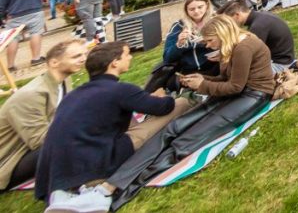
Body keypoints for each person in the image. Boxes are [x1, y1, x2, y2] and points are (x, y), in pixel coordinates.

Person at [89, 16, 275, 210]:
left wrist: (203, 85)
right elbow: (225, 79)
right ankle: (113, 183)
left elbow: (236, 86)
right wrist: (201, 78)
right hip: (234, 93)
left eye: (210, 41)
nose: (209, 46)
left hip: (253, 95)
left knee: (184, 142)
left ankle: (123, 192)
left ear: (221, 34)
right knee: (172, 128)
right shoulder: (232, 46)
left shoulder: (244, 47)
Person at [34, 42, 191, 208]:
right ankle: (89, 188)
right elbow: (164, 108)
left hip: (54, 172)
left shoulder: (73, 95)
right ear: (114, 62)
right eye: (127, 54)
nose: (130, 57)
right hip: (93, 163)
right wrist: (164, 96)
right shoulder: (120, 90)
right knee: (180, 103)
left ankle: (66, 194)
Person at [0, 40, 87, 191]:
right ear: (54, 62)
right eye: (76, 56)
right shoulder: (31, 95)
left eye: (84, 54)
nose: (83, 59)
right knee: (72, 143)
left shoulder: (64, 79)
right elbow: (40, 141)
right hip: (8, 162)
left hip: (31, 150)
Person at [157, 0, 219, 92]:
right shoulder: (179, 26)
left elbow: (231, 42)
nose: (196, 11)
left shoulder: (217, 20)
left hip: (216, 67)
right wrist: (179, 44)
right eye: (192, 9)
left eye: (200, 7)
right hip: (190, 70)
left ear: (207, 5)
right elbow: (167, 58)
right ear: (186, 11)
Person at [1, 0, 51, 70]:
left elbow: (2, 4)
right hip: (34, 11)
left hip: (14, 15)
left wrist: (2, 17)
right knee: (35, 33)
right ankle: (35, 58)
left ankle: (10, 65)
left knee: (13, 39)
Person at [220, 1, 295, 74]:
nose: (228, 24)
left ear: (237, 15)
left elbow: (248, 56)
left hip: (280, 65)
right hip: (286, 59)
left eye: (229, 20)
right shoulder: (261, 16)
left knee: (239, 74)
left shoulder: (257, 26)